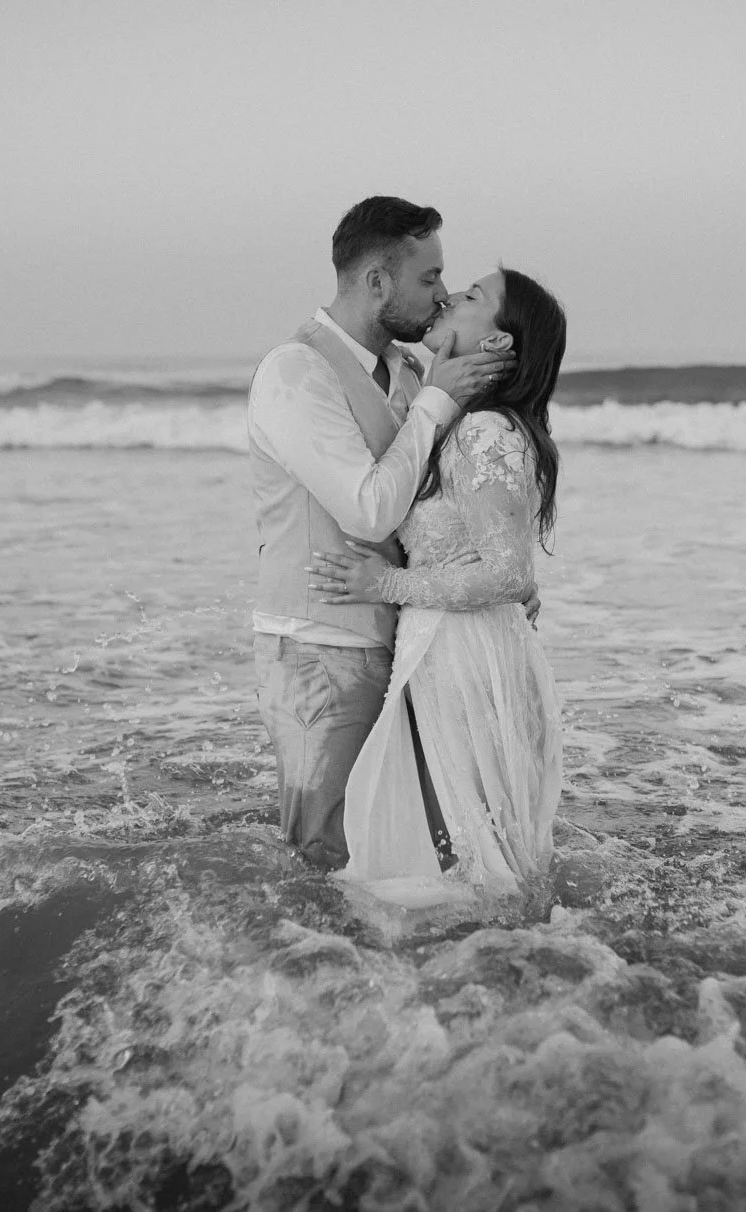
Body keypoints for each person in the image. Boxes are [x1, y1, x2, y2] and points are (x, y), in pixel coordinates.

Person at [247, 197, 516, 870]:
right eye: (428, 278)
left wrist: (496, 574)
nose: (443, 293)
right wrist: (436, 403)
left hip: (408, 644)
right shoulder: (294, 372)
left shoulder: (408, 370)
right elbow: (368, 510)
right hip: (321, 648)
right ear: (376, 282)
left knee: (410, 848)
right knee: (323, 853)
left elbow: (439, 499)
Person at [310, 267, 567, 903]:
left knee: (466, 857)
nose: (449, 296)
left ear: (500, 343)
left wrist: (386, 583)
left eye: (473, 297)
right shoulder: (465, 425)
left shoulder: (484, 432)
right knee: (461, 852)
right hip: (451, 648)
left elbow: (509, 573)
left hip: (461, 655)